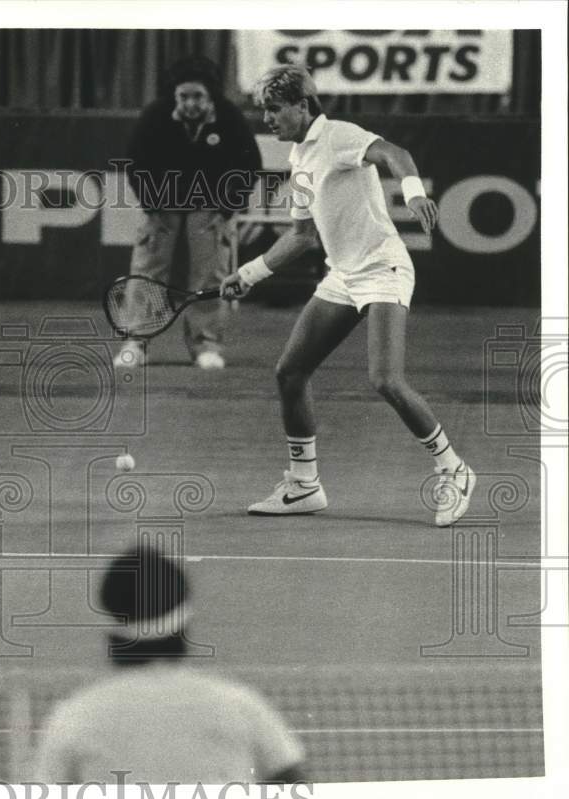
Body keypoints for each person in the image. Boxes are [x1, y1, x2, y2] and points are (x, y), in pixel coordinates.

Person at [220, 65, 475, 527]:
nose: (267, 118)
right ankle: (304, 485)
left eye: (274, 109)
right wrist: (249, 273)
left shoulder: (338, 135)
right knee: (291, 371)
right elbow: (301, 236)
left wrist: (413, 194)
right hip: (342, 276)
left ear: (302, 105)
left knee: (386, 380)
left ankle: (454, 469)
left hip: (383, 268)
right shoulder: (299, 157)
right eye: (264, 110)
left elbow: (395, 153)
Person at [33, 543, 306, 784]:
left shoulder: (76, 717)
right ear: (184, 629)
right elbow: (293, 783)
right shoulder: (240, 706)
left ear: (111, 636)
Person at [115, 56, 262, 371]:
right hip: (162, 206)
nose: (191, 103)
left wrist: (227, 208)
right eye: (184, 96)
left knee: (210, 277)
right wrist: (151, 205)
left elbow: (250, 165)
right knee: (146, 273)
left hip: (210, 207)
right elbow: (135, 163)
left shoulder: (229, 117)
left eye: (198, 96)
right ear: (175, 95)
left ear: (210, 97)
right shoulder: (155, 116)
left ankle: (206, 345)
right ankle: (136, 343)